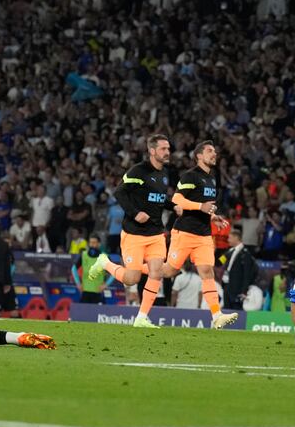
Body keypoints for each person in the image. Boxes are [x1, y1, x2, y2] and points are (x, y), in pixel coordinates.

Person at [86, 134, 172, 328]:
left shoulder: (165, 174)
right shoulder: (139, 170)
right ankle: (104, 262)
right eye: (163, 149)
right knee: (132, 279)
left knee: (156, 273)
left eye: (168, 149)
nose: (167, 152)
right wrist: (135, 213)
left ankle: (141, 317)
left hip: (156, 233)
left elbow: (158, 198)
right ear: (152, 151)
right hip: (134, 233)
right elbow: (119, 192)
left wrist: (173, 205)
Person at [165, 140, 237, 328]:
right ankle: (136, 269)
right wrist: (200, 207)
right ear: (199, 156)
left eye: (215, 151)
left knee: (207, 272)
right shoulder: (190, 176)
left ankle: (216, 316)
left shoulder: (212, 178)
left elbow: (206, 206)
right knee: (168, 271)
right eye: (210, 151)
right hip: (184, 232)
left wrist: (213, 216)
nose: (214, 154)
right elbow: (176, 199)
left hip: (203, 235)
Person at [221, 227, 258, 310]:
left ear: (236, 238)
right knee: (226, 310)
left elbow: (247, 274)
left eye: (230, 238)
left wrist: (244, 291)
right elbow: (220, 261)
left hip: (237, 289)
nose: (228, 240)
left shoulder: (245, 254)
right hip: (227, 286)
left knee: (236, 312)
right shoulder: (230, 251)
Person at [73, 234, 110, 303]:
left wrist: (106, 284)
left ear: (99, 244)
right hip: (85, 291)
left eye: (94, 243)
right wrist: (78, 283)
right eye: (90, 243)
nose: (92, 245)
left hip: (98, 292)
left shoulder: (104, 257)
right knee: (84, 313)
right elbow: (74, 269)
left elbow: (114, 273)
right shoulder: (83, 255)